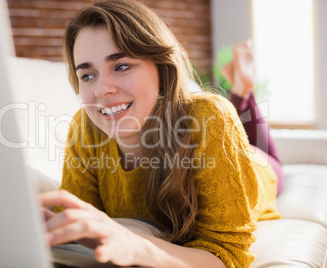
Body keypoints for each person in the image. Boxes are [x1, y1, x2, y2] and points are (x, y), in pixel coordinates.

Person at [41, 1, 283, 267]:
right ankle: (241, 90)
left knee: (265, 153)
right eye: (87, 75)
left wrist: (136, 245)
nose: (101, 90)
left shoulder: (210, 118)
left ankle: (243, 90)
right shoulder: (85, 128)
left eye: (121, 66)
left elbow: (228, 257)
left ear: (161, 67)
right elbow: (76, 224)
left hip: (260, 170)